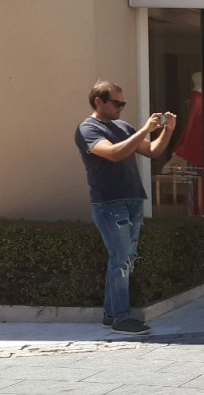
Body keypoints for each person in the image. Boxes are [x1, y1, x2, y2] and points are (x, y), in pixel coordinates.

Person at [75, 80, 176, 335]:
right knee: (120, 260)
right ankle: (121, 318)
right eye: (116, 103)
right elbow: (114, 153)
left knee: (125, 259)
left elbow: (152, 151)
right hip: (109, 202)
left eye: (123, 103)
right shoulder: (88, 129)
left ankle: (112, 315)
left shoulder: (123, 126)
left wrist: (167, 130)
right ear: (99, 102)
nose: (121, 108)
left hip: (132, 199)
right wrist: (144, 129)